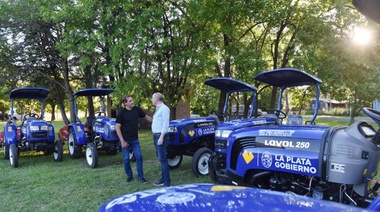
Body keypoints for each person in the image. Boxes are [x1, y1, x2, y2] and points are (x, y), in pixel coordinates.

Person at [116, 95, 152, 183]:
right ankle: (129, 176)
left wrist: (157, 122)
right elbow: (117, 127)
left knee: (139, 156)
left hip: (135, 139)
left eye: (132, 100)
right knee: (126, 159)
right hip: (125, 140)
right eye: (130, 101)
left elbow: (146, 117)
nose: (132, 102)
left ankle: (140, 177)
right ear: (125, 103)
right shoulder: (121, 113)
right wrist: (122, 141)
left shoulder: (136, 110)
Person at [151, 92, 171, 187]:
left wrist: (161, 137)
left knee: (163, 159)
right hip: (156, 136)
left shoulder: (164, 109)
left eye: (152, 98)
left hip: (160, 136)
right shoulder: (158, 109)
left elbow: (165, 124)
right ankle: (163, 179)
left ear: (157, 99)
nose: (152, 100)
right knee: (161, 158)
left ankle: (167, 182)